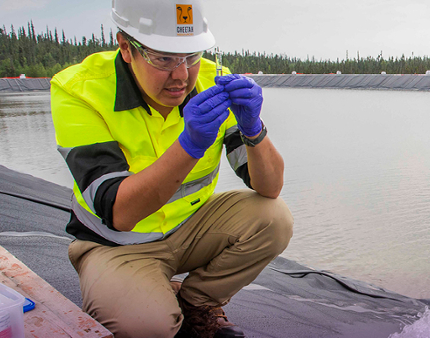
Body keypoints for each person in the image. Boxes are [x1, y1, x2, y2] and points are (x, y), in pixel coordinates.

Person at [49, 0, 293, 337]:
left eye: (191, 56)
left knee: (273, 217)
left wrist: (253, 129)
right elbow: (119, 213)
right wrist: (189, 146)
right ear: (126, 47)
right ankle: (148, 296)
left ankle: (196, 304)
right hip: (116, 244)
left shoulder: (212, 80)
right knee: (144, 327)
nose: (181, 75)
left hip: (189, 230)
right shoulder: (80, 91)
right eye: (164, 58)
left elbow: (269, 187)